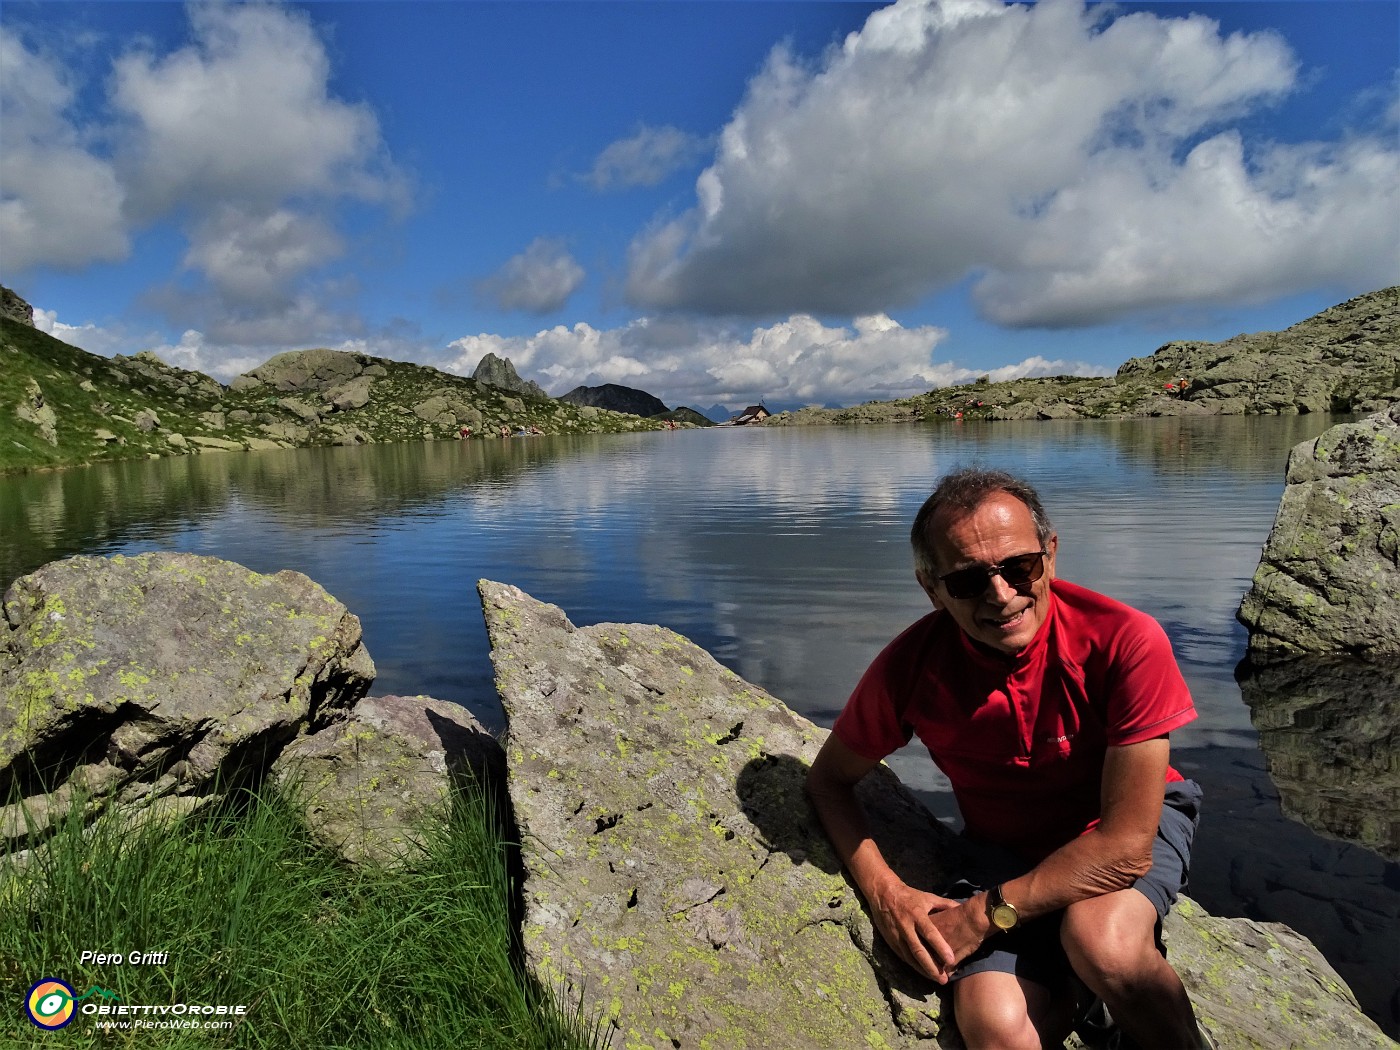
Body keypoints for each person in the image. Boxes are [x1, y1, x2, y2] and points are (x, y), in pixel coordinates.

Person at [806, 468, 1211, 1050]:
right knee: (993, 1028)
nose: (1001, 595)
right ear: (932, 589)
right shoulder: (910, 669)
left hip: (1118, 822)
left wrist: (983, 914)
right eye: (968, 582)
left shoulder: (1125, 639)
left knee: (1104, 944)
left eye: (1020, 567)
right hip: (1004, 849)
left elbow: (1124, 847)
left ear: (1050, 554)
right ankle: (1082, 997)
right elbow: (829, 782)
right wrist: (887, 894)